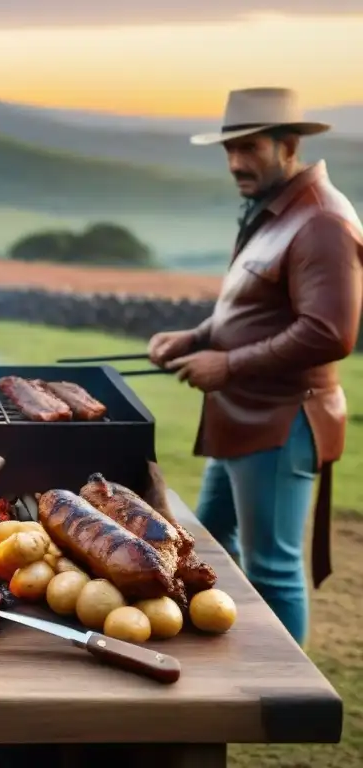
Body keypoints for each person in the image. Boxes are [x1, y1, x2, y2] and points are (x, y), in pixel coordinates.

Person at [148, 88, 363, 645]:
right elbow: (255, 309)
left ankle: (284, 694)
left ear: (287, 145)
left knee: (272, 567)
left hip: (281, 419)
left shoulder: (319, 222)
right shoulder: (275, 213)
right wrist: (193, 337)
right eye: (230, 150)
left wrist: (228, 364)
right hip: (242, 416)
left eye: (249, 149)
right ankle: (212, 657)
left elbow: (330, 332)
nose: (236, 163)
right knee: (208, 540)